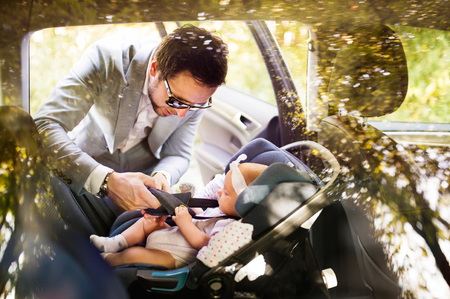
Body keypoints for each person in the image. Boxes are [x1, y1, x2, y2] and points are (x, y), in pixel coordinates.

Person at [33, 24, 228, 215]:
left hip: (143, 181)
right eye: (177, 101)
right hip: (87, 161)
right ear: (154, 68)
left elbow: (179, 154)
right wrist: (106, 181)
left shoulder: (193, 98)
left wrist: (162, 175)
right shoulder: (106, 58)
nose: (183, 114)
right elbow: (43, 126)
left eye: (195, 105)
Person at [90, 154, 268, 269]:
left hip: (175, 256)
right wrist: (187, 205)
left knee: (134, 255)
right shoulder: (220, 210)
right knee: (146, 223)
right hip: (172, 235)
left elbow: (204, 243)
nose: (220, 191)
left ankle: (107, 261)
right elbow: (200, 216)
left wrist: (185, 223)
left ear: (244, 204)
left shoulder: (232, 228)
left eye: (226, 192)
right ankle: (114, 243)